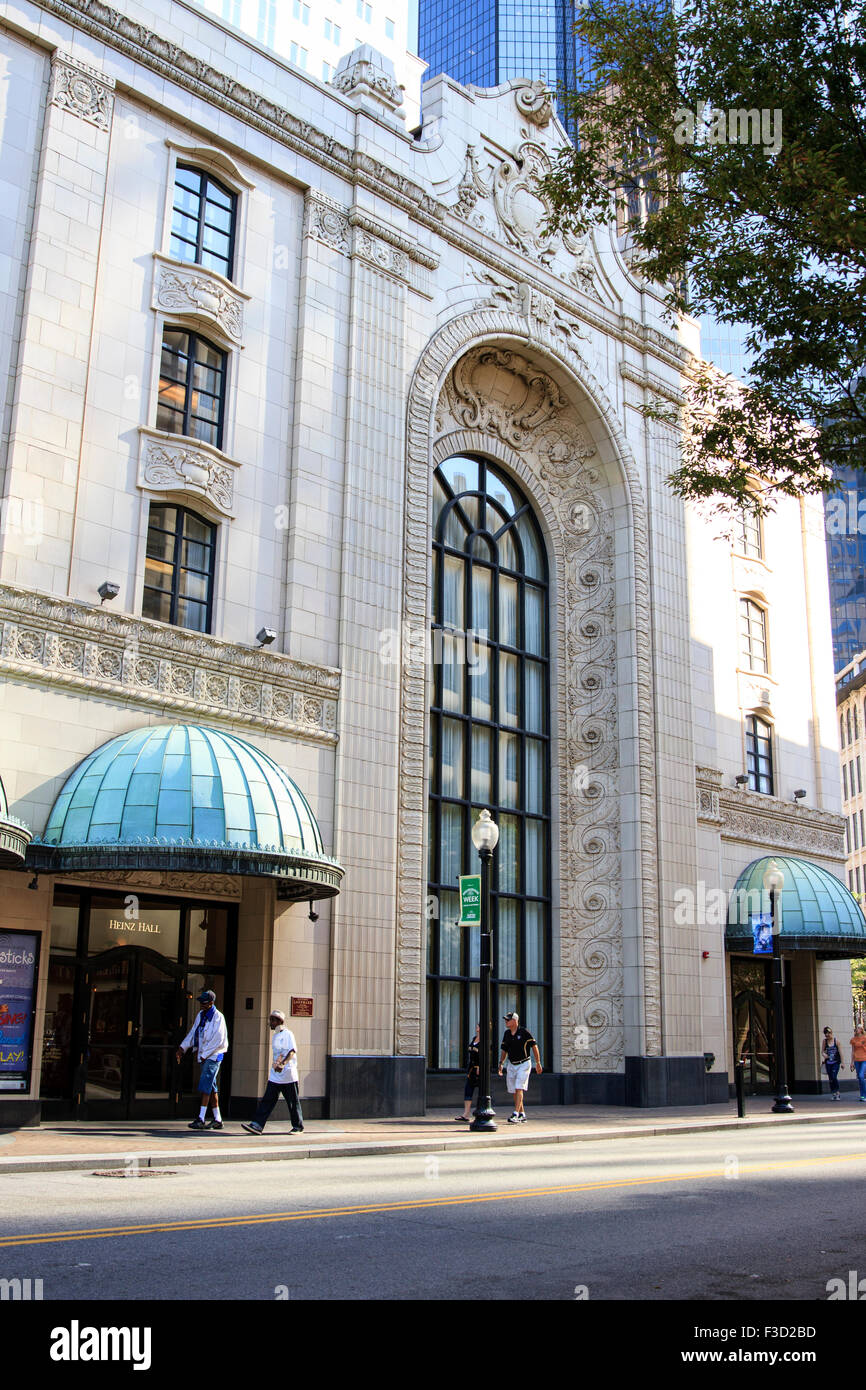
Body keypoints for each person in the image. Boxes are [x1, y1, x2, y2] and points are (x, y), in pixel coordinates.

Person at [242, 1009, 304, 1135]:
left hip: (288, 1075)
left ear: (279, 1021)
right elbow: (279, 1053)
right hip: (276, 1075)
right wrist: (277, 1065)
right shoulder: (276, 1035)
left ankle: (298, 1126)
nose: (269, 1023)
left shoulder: (288, 1034)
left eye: (272, 1020)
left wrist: (283, 1064)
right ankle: (257, 1125)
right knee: (267, 1100)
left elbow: (292, 1051)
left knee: (292, 1102)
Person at [177, 989, 229, 1130]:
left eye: (204, 1003)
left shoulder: (218, 1017)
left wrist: (204, 1054)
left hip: (213, 1056)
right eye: (201, 1002)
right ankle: (218, 1119)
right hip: (204, 1056)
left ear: (211, 1003)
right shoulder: (201, 1015)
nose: (202, 1005)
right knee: (211, 1087)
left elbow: (218, 1039)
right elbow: (194, 1032)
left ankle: (201, 1117)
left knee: (205, 1085)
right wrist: (183, 1047)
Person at [497, 1011, 542, 1123]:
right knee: (514, 1090)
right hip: (512, 1064)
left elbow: (534, 1046)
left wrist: (538, 1062)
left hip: (524, 1063)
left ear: (515, 1021)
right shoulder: (507, 1034)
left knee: (519, 1087)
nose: (506, 1021)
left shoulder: (524, 1032)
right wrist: (501, 1063)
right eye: (506, 1019)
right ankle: (522, 1113)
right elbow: (504, 1050)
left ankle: (515, 1114)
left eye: (508, 1019)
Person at [456, 1023, 481, 1122]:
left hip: (479, 1069)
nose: (477, 1028)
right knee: (468, 1089)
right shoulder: (474, 1038)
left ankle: (480, 1110)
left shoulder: (485, 1041)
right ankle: (466, 1114)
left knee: (481, 1091)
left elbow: (486, 1055)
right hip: (471, 1069)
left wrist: (480, 1066)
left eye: (478, 1026)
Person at [821, 1026, 844, 1100]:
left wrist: (842, 1063)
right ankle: (833, 1093)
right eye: (826, 1035)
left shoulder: (836, 1041)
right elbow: (822, 1051)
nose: (827, 1036)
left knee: (834, 1076)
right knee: (830, 1078)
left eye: (829, 1034)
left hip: (835, 1062)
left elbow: (840, 1053)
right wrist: (825, 1055)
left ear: (831, 1033)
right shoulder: (825, 1041)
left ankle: (837, 1092)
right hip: (828, 1062)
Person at [850, 1023, 866, 1102]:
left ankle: (864, 1094)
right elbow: (853, 1051)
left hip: (864, 1059)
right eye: (857, 1028)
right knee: (860, 1078)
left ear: (862, 1030)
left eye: (859, 1028)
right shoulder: (853, 1039)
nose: (858, 1029)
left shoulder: (865, 1038)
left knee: (861, 1075)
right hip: (857, 1060)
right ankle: (862, 1095)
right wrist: (852, 1062)